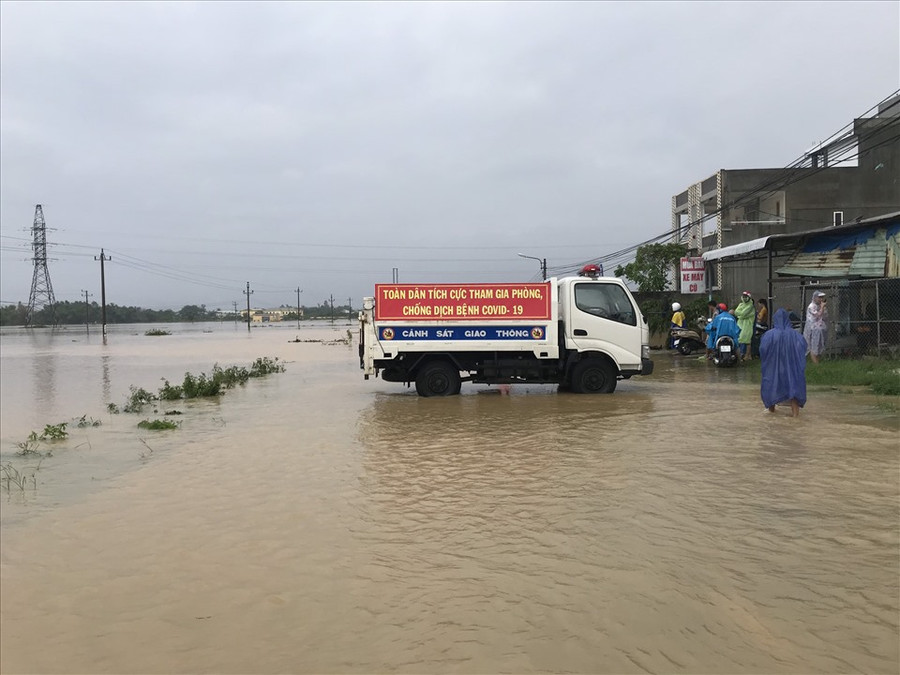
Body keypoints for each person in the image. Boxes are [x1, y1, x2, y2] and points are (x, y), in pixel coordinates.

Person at [760, 308, 807, 417]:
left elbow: (763, 350)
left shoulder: (768, 335)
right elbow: (803, 347)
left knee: (772, 386)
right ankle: (795, 415)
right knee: (793, 388)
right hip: (791, 367)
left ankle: (771, 411)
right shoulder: (795, 335)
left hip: (773, 367)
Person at [803, 291, 828, 363]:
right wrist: (822, 307)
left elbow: (825, 316)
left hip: (821, 329)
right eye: (819, 297)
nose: (821, 299)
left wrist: (823, 307)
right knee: (813, 346)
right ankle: (816, 365)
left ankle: (818, 361)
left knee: (819, 346)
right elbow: (818, 315)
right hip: (813, 329)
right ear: (815, 297)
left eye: (822, 297)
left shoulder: (821, 306)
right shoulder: (811, 306)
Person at [734, 291, 755, 360]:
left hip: (748, 324)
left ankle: (748, 355)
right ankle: (740, 354)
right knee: (739, 339)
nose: (744, 298)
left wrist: (740, 315)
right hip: (740, 323)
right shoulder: (741, 304)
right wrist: (740, 315)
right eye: (743, 296)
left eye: (746, 297)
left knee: (747, 340)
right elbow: (736, 312)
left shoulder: (750, 305)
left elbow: (743, 314)